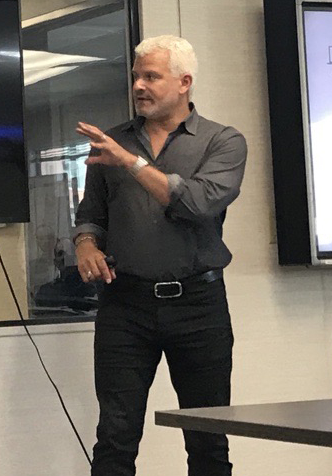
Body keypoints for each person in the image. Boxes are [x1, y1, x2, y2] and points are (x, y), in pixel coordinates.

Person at [73, 35, 246, 476]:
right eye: (136, 76)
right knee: (114, 438)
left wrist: (131, 163)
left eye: (151, 76)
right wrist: (87, 246)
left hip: (198, 307)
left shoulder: (222, 142)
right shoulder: (112, 141)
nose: (139, 86)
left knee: (208, 439)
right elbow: (91, 216)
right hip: (125, 305)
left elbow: (196, 204)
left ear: (184, 82)